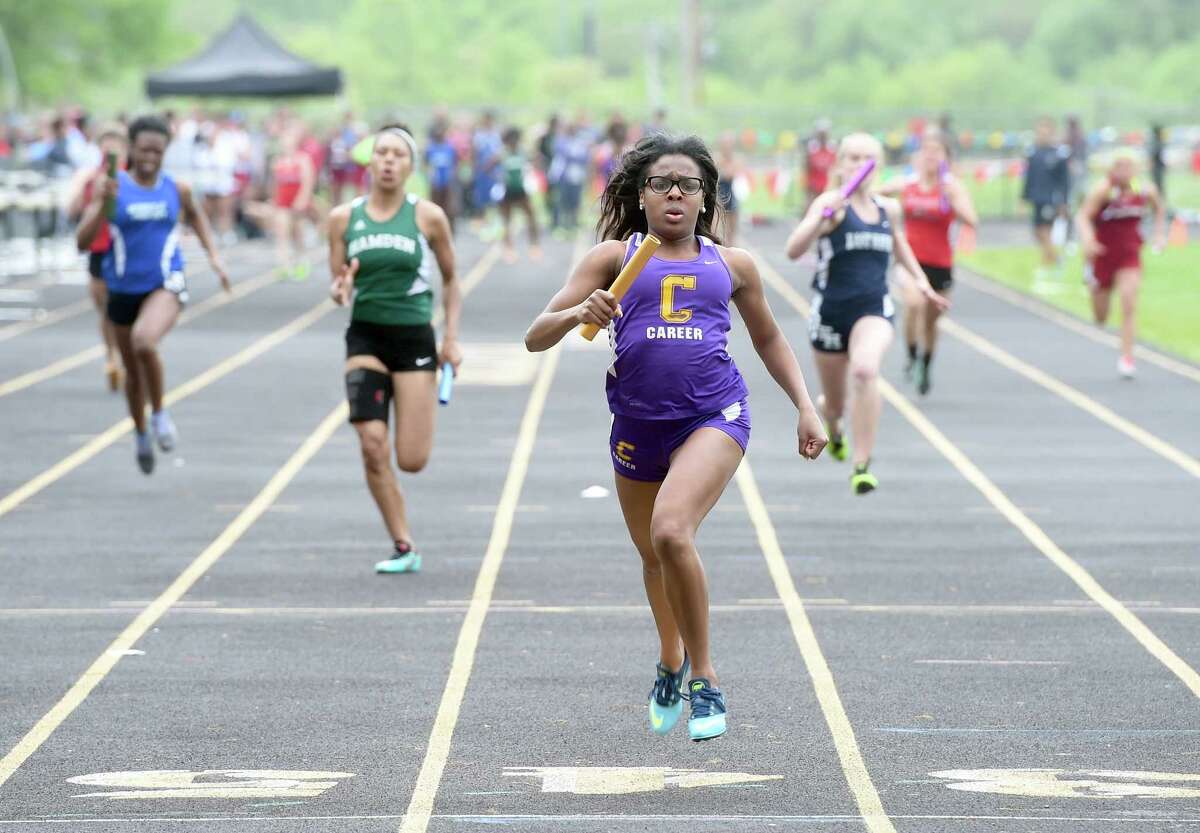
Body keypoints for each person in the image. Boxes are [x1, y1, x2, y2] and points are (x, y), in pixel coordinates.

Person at [524, 133, 827, 742]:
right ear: (642, 194)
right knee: (652, 555)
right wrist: (579, 313)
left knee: (671, 531)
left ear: (706, 199)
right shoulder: (614, 257)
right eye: (661, 183)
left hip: (714, 415)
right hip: (637, 422)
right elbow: (536, 335)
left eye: (688, 185)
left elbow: (768, 338)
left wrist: (805, 405)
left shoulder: (731, 265)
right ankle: (670, 659)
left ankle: (705, 677)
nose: (674, 194)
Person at [327, 124, 463, 574]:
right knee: (370, 443)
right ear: (369, 163)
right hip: (365, 335)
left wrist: (450, 340)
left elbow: (452, 280)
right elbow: (339, 285)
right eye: (380, 153)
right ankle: (403, 543)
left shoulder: (428, 217)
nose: (387, 161)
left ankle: (403, 519)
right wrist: (342, 288)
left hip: (414, 338)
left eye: (397, 155)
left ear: (409, 167)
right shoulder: (343, 219)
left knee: (411, 459)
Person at [785, 133, 947, 493]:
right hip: (830, 312)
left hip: (873, 308)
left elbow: (900, 246)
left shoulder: (888, 209)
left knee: (864, 370)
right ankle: (834, 421)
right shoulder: (831, 203)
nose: (859, 165)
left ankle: (861, 465)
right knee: (836, 403)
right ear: (841, 164)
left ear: (879, 167)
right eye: (852, 158)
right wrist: (820, 221)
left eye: (867, 159)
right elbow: (793, 250)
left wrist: (921, 284)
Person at [76, 115, 231, 474]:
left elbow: (196, 217)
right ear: (131, 148)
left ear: (166, 152)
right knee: (132, 375)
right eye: (144, 149)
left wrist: (215, 258)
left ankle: (160, 412)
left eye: (157, 151)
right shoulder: (113, 188)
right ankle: (141, 432)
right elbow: (82, 242)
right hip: (122, 288)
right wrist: (101, 205)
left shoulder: (177, 189)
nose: (150, 157)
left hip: (165, 282)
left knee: (145, 341)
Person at [876, 128, 977, 396]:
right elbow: (873, 194)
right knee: (913, 303)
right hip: (910, 261)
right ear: (918, 155)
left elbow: (971, 219)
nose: (930, 156)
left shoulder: (951, 187)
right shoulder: (905, 183)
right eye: (926, 150)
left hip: (940, 263)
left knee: (931, 322)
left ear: (945, 157)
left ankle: (925, 364)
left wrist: (952, 200)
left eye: (937, 151)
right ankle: (911, 354)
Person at [1075, 151, 1166, 379]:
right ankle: (1090, 276)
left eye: (1128, 166)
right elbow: (1083, 216)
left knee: (1128, 302)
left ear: (1136, 169)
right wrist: (1088, 240)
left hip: (1129, 256)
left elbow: (1160, 209)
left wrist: (1158, 234)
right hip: (1103, 255)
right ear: (1111, 169)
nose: (1124, 171)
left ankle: (1127, 357)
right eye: (1119, 166)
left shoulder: (1145, 190)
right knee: (1101, 316)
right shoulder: (1104, 190)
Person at [68, 122, 127, 392]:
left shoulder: (133, 177)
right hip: (99, 247)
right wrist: (81, 187)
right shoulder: (90, 176)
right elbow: (71, 210)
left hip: (126, 248)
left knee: (126, 306)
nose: (110, 147)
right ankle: (111, 356)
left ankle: (126, 356)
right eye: (106, 141)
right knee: (104, 309)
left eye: (116, 141)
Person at [1021, 117, 1070, 269]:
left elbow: (1064, 180)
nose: (1042, 134)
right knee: (1037, 231)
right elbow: (1028, 177)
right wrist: (1024, 198)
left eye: (1046, 131)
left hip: (1050, 198)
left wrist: (1063, 202)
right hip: (1036, 198)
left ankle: (1050, 260)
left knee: (1044, 230)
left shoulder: (1058, 154)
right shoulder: (1033, 153)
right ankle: (1052, 258)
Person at [271, 128, 316, 280]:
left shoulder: (303, 159)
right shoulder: (278, 161)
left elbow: (308, 182)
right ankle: (284, 266)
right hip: (282, 202)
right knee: (281, 233)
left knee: (298, 234)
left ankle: (302, 262)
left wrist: (302, 200)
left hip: (298, 201)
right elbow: (276, 184)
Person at [497, 126, 541, 262]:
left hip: (522, 190)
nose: (513, 142)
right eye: (511, 140)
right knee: (507, 220)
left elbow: (536, 160)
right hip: (508, 191)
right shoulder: (502, 153)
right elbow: (489, 166)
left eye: (515, 139)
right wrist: (498, 179)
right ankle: (509, 249)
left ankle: (534, 247)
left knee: (532, 217)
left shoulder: (523, 152)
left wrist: (531, 170)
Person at [424, 118, 459, 234]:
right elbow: (426, 164)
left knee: (449, 208)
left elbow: (455, 163)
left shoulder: (450, 148)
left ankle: (450, 231)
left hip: (448, 182)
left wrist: (453, 176)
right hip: (435, 182)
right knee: (435, 207)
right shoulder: (430, 148)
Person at [714, 131, 743, 245]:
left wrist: (723, 169)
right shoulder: (716, 157)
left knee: (732, 230)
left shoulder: (736, 159)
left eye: (729, 143)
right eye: (725, 143)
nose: (727, 146)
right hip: (718, 195)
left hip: (732, 195)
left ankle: (732, 248)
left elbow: (732, 174)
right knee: (718, 228)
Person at [804, 119, 836, 213]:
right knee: (811, 204)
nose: (822, 135)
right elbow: (807, 165)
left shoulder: (832, 146)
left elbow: (834, 165)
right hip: (814, 181)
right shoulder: (812, 147)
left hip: (827, 182)